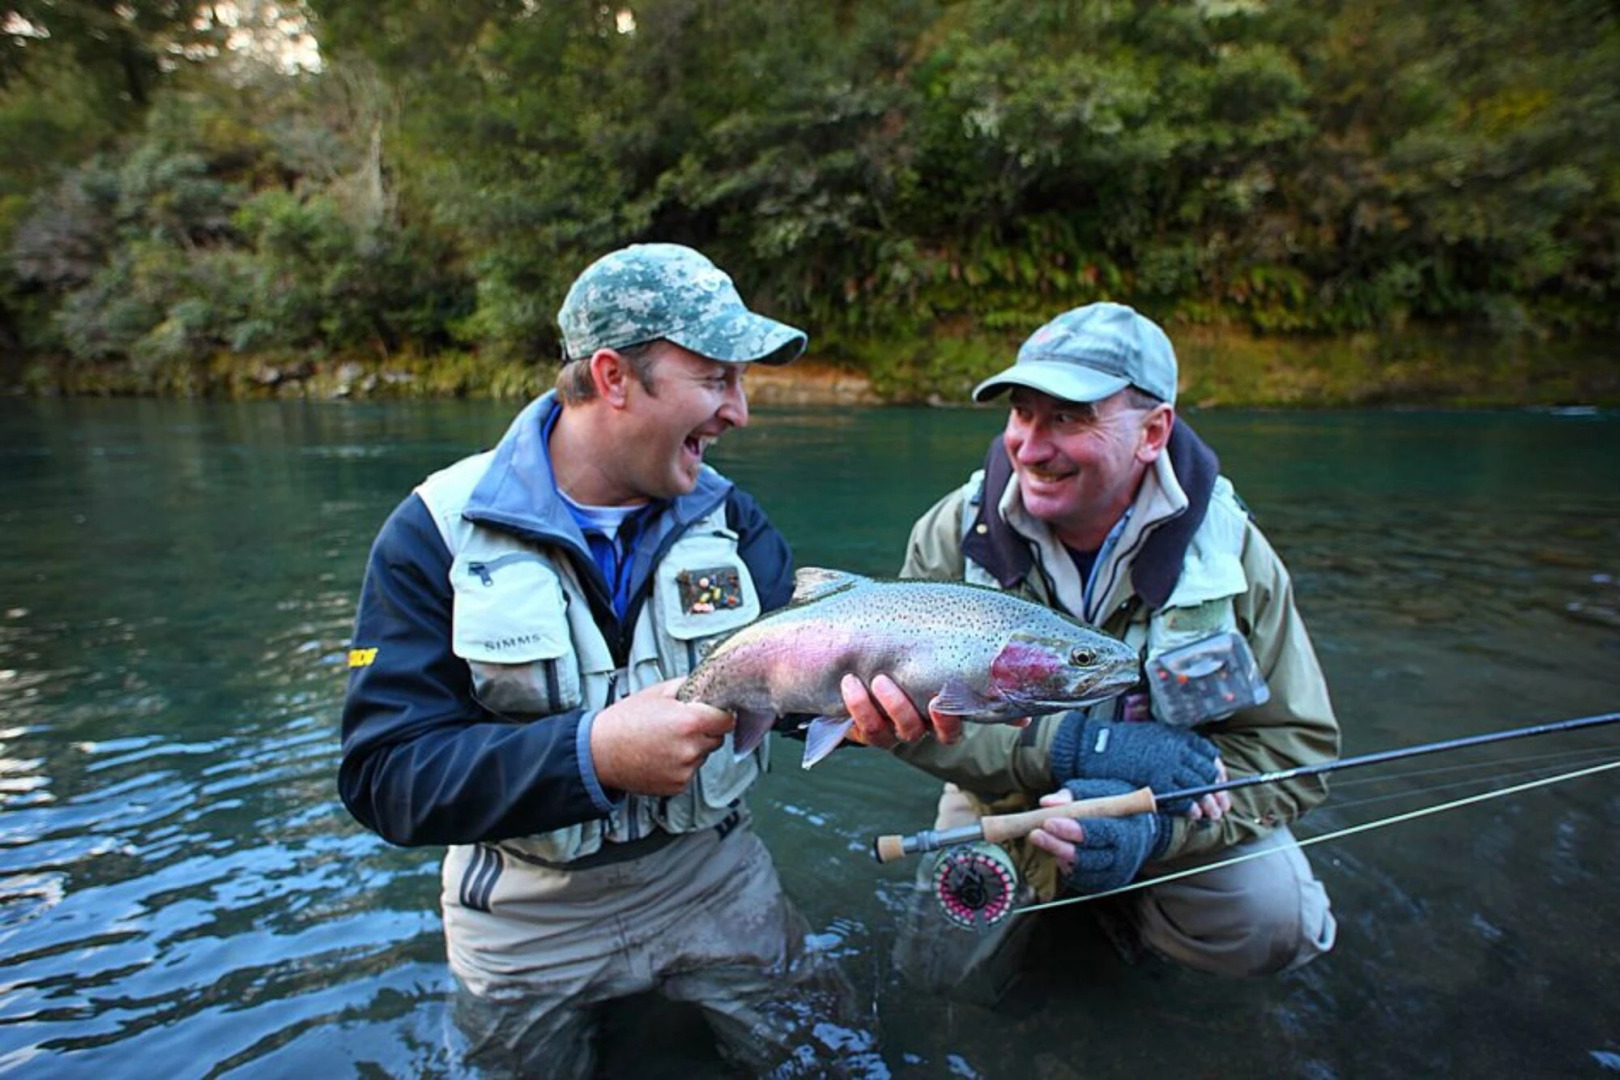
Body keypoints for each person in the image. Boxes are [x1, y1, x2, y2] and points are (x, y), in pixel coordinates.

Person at [336, 243, 942, 1077]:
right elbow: (386, 778)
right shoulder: (431, 536)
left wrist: (871, 711)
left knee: (837, 1062)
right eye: (717, 379)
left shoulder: (740, 525)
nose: (740, 411)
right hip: (522, 914)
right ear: (615, 378)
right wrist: (592, 756)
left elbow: (790, 703)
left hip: (714, 880)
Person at [852, 301, 1339, 1002]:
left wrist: (1157, 833)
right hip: (1001, 797)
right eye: (1022, 413)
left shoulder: (1234, 556)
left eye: (1068, 417)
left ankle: (1134, 909)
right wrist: (1073, 748)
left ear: (1153, 432)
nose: (1031, 445)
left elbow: (1296, 750)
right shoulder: (953, 536)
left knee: (1274, 920)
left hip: (1173, 809)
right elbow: (906, 724)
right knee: (938, 978)